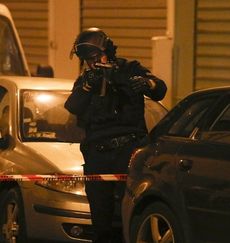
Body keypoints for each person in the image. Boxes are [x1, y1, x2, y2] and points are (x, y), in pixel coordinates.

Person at [64, 27, 167, 242]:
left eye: (94, 57)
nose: (92, 63)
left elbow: (159, 89)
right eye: (87, 60)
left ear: (107, 50)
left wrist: (146, 83)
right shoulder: (86, 80)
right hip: (98, 157)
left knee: (131, 214)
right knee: (101, 222)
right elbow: (72, 106)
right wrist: (88, 85)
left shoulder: (129, 69)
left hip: (128, 152)